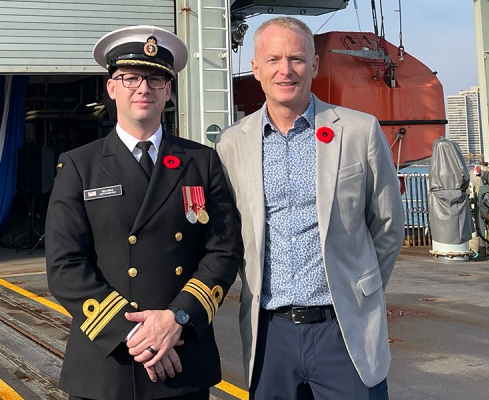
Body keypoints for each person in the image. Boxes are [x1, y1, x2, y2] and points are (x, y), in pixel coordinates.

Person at [45, 25, 243, 400]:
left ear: (168, 91)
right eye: (131, 77)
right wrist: (133, 333)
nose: (143, 88)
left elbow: (224, 249)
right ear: (112, 87)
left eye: (155, 79)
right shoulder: (79, 166)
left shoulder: (201, 161)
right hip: (108, 364)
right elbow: (64, 265)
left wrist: (177, 319)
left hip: (181, 355)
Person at [216, 16, 405, 400]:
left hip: (343, 329)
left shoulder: (359, 131)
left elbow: (388, 225)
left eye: (297, 59)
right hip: (270, 332)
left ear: (314, 65)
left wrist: (359, 290)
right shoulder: (232, 145)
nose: (286, 70)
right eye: (273, 60)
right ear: (255, 68)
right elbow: (230, 232)